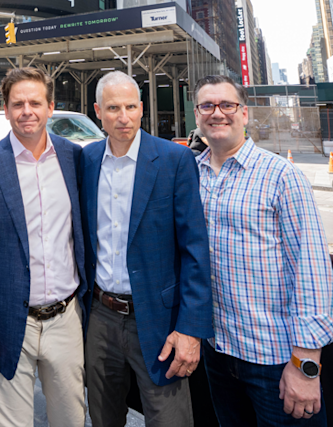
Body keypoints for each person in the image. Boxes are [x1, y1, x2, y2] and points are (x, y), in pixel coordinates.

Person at [192, 75, 333, 425]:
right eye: (207, 106)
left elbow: (312, 269)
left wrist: (306, 364)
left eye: (227, 105)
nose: (217, 113)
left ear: (243, 114)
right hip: (217, 352)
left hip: (275, 359)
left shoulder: (281, 176)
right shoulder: (191, 174)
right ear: (196, 116)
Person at [0, 67, 87, 427]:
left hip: (65, 320)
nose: (27, 110)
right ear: (6, 110)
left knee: (71, 419)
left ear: (50, 107)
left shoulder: (74, 159)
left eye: (35, 102)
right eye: (18, 104)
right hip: (5, 323)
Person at [81, 72, 212, 427]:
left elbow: (195, 252)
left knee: (169, 419)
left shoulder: (174, 161)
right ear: (97, 111)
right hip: (100, 317)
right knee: (104, 416)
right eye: (112, 108)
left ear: (141, 109)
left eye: (130, 107)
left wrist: (190, 329)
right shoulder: (87, 161)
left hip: (156, 319)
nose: (123, 117)